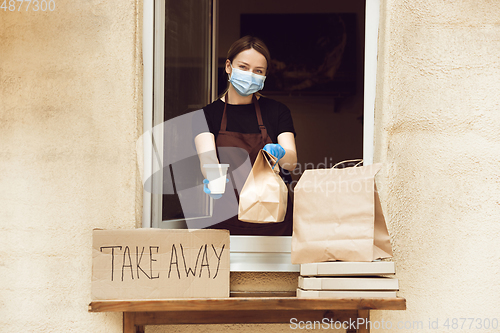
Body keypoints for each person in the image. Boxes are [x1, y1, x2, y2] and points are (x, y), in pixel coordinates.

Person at [195, 35, 297, 236]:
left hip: (273, 221)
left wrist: (280, 153)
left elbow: (291, 162)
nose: (250, 75)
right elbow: (207, 156)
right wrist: (212, 176)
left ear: (265, 76)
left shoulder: (277, 112)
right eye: (243, 67)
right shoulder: (206, 115)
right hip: (226, 222)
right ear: (228, 66)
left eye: (258, 71)